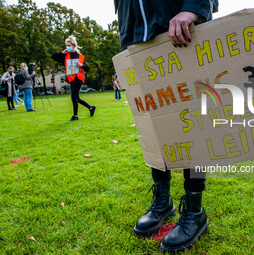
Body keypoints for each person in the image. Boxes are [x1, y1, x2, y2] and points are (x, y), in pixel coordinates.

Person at [114, 0, 218, 253]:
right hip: (137, 37)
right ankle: (163, 201)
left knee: (190, 122)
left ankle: (195, 210)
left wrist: (194, 7)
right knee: (154, 124)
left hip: (179, 30)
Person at [51, 35, 96, 121]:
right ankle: (91, 108)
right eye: (66, 45)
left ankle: (75, 116)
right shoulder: (65, 55)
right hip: (71, 78)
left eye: (69, 45)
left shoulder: (80, 56)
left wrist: (81, 65)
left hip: (78, 78)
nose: (67, 47)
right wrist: (61, 52)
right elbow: (53, 56)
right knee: (77, 98)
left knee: (73, 96)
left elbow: (87, 68)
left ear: (74, 46)